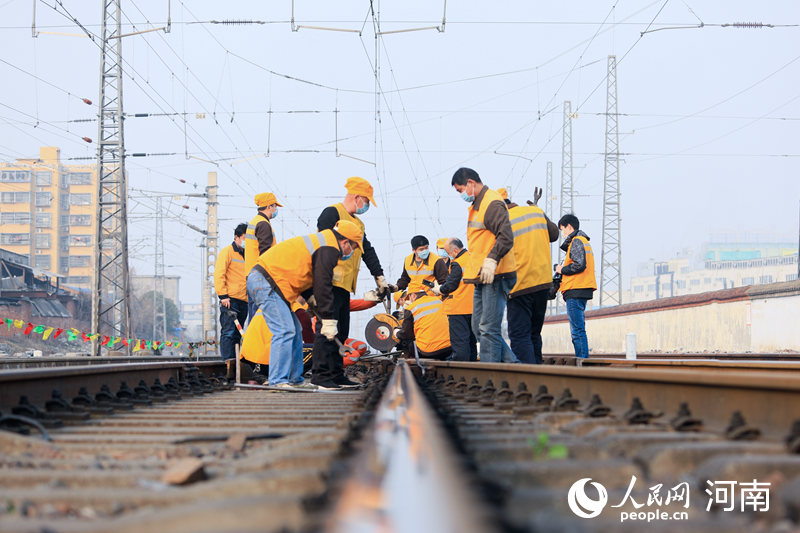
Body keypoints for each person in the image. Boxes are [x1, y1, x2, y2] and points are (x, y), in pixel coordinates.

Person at [246, 220, 364, 389]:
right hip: (265, 281)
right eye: (353, 247)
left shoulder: (323, 242)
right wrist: (329, 319)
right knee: (284, 330)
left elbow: (308, 276)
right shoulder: (329, 248)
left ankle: (295, 380)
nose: (352, 252)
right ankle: (277, 381)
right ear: (345, 242)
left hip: (270, 282)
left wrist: (311, 300)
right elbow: (322, 283)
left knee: (295, 330)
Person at [315, 177, 394, 388]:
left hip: (344, 287)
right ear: (357, 197)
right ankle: (322, 377)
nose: (367, 206)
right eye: (366, 201)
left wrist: (379, 276)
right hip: (328, 282)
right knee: (327, 329)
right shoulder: (331, 213)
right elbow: (323, 245)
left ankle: (335, 374)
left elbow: (366, 250)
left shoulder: (358, 223)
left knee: (341, 332)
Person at [451, 167, 518, 363]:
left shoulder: (492, 203)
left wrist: (491, 260)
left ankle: (490, 376)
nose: (461, 195)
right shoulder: (479, 205)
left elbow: (505, 237)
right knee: (478, 327)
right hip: (483, 276)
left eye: (460, 190)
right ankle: (513, 366)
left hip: (496, 274)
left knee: (488, 328)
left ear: (471, 183)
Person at [501, 188, 559, 364]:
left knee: (520, 335)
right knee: (534, 333)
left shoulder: (503, 221)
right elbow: (554, 234)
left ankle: (528, 377)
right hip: (543, 283)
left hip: (520, 285)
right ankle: (538, 371)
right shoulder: (534, 211)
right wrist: (538, 209)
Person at [556, 214, 597, 359]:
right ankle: (582, 360)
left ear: (569, 227)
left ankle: (582, 361)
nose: (563, 234)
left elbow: (580, 264)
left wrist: (562, 270)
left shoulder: (577, 241)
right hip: (581, 288)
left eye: (563, 230)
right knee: (579, 328)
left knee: (577, 330)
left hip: (575, 289)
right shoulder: (582, 241)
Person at [434, 238, 477, 361]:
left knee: (460, 341)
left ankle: (461, 368)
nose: (448, 255)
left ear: (455, 250)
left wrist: (439, 289)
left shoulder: (457, 263)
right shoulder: (472, 257)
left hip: (458, 308)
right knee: (471, 342)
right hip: (473, 307)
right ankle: (472, 367)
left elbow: (451, 284)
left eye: (448, 252)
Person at [244, 192, 282, 321]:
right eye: (275, 206)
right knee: (259, 317)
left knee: (254, 315)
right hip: (261, 277)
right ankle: (256, 341)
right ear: (269, 206)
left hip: (252, 275)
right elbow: (265, 253)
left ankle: (251, 341)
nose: (275, 210)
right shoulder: (263, 224)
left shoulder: (255, 222)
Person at [214, 223, 248, 361]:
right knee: (228, 332)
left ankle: (236, 363)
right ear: (236, 237)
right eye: (245, 238)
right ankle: (227, 361)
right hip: (230, 300)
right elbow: (219, 274)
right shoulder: (227, 252)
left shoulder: (247, 255)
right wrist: (223, 296)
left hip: (244, 300)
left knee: (238, 334)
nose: (247, 242)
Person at [395, 289, 451, 360]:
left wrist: (396, 333)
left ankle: (412, 364)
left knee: (407, 342)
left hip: (428, 351)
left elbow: (406, 334)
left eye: (409, 298)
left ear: (413, 295)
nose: (409, 301)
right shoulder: (438, 301)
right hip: (448, 348)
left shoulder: (411, 308)